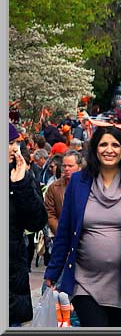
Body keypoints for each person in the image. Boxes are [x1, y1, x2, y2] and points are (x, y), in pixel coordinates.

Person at [44, 126, 121, 327]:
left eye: (115, 145)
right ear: (95, 149)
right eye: (103, 144)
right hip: (85, 281)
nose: (109, 149)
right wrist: (53, 272)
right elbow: (65, 231)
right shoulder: (79, 181)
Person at [9, 123, 48, 326]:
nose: (14, 148)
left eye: (15, 142)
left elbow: (36, 221)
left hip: (12, 280)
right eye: (9, 143)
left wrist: (20, 185)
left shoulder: (20, 174)